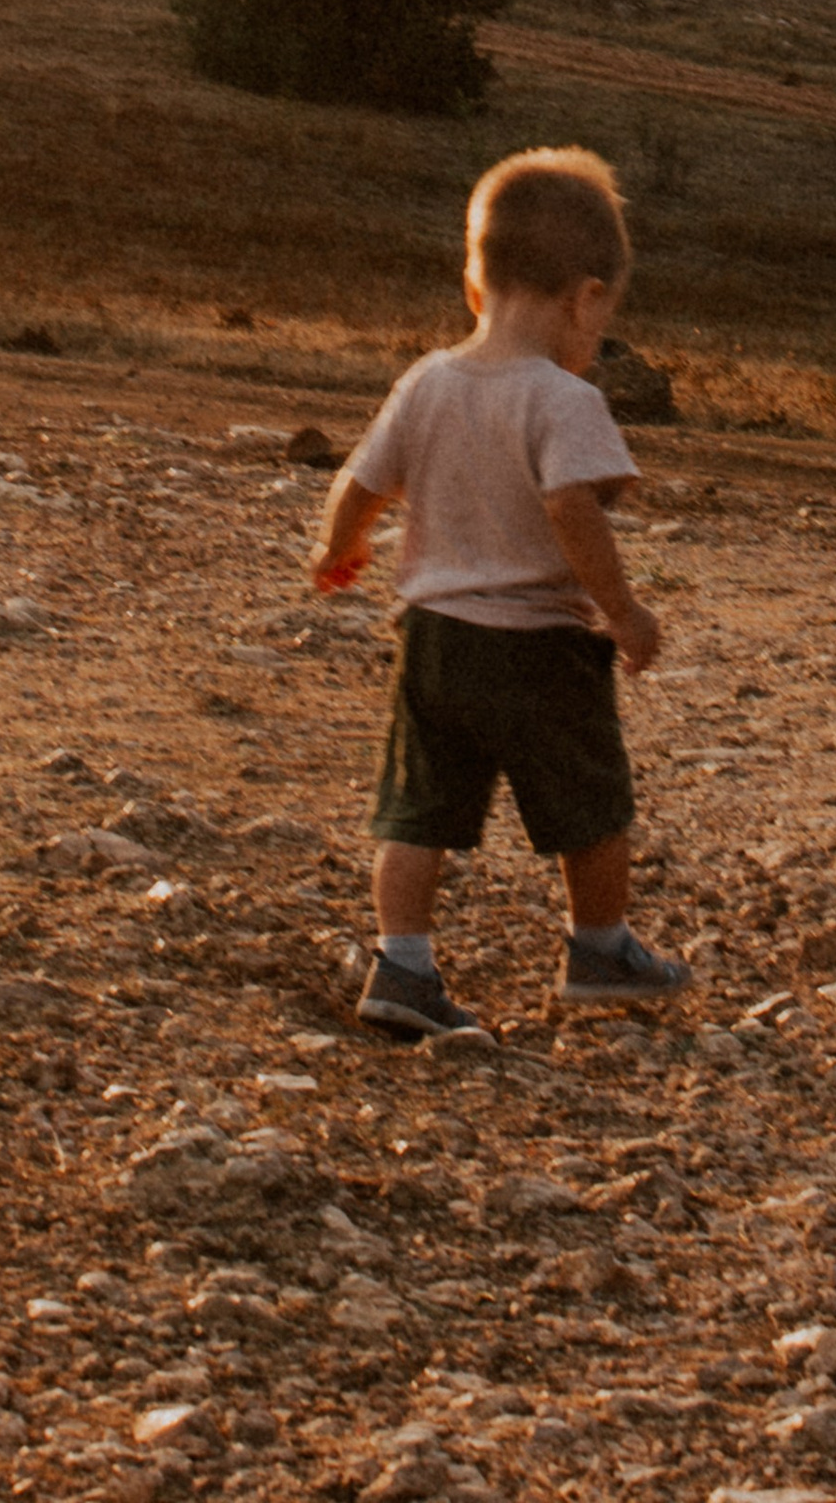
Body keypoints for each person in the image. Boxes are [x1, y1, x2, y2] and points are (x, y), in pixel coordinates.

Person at [308, 143, 692, 1040]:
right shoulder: (564, 400)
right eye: (601, 322)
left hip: (435, 638)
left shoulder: (427, 380)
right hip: (539, 645)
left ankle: (401, 967)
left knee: (417, 810)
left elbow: (362, 482)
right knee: (591, 806)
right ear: (585, 298)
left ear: (474, 288)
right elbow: (572, 511)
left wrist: (340, 546)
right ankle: (599, 946)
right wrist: (625, 612)